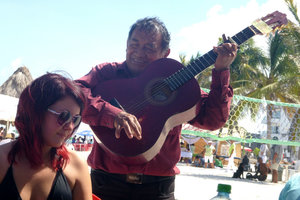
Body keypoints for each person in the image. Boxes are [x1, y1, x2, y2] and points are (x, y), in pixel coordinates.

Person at [76, 17, 238, 200]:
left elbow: (213, 120)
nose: (138, 52)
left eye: (149, 48)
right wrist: (111, 113)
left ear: (165, 53)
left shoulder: (179, 84)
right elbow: (73, 94)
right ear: (126, 45)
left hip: (158, 189)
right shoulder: (106, 74)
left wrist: (221, 71)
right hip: (105, 184)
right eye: (134, 44)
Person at [0, 73, 92, 200]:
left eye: (75, 119)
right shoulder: (2, 159)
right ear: (35, 112)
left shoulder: (76, 166)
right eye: (63, 116)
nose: (70, 126)